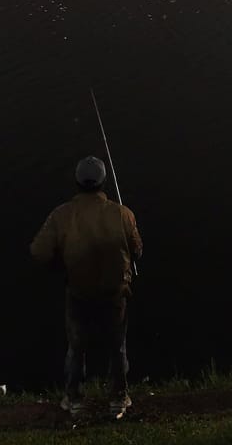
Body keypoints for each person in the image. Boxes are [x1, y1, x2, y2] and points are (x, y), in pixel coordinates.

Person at [30, 155, 143, 419]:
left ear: (77, 183)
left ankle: (75, 399)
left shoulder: (61, 215)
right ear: (103, 183)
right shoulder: (123, 213)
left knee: (76, 347)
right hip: (115, 295)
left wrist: (61, 267)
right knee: (117, 347)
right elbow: (137, 250)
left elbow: (38, 252)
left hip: (79, 294)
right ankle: (118, 399)